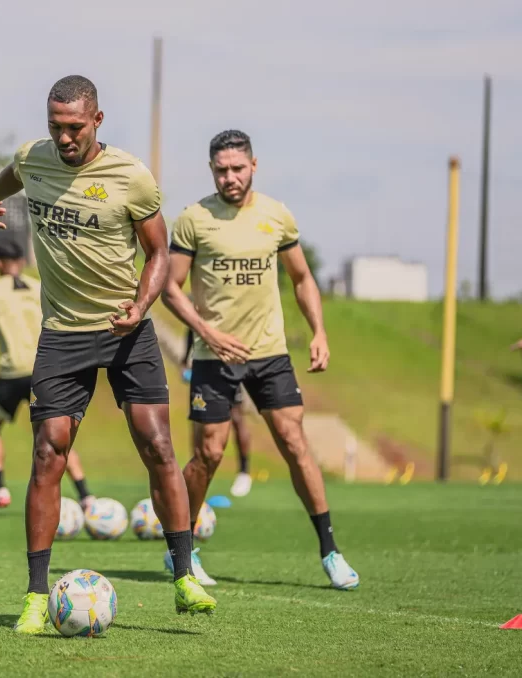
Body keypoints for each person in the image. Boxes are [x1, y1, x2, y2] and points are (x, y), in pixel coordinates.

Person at [0, 75, 216, 634]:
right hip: (63, 333)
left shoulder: (131, 176)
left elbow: (158, 253)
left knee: (157, 445)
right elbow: (12, 174)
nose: (64, 138)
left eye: (75, 127)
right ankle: (36, 597)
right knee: (47, 453)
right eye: (55, 126)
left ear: (97, 120)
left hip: (126, 328)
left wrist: (141, 304)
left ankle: (184, 576)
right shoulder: (34, 158)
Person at [163, 129, 359, 590]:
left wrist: (319, 332)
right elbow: (170, 287)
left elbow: (302, 278)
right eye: (221, 170)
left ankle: (330, 551)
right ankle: (180, 552)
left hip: (270, 353)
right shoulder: (193, 219)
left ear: (254, 166)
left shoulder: (277, 215)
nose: (230, 177)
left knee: (294, 443)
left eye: (238, 168)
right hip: (213, 355)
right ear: (211, 170)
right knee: (209, 453)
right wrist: (207, 332)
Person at [0, 239, 96, 514]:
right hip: (45, 370)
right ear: (21, 261)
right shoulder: (39, 287)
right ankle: (86, 497)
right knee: (56, 434)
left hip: (12, 374)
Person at [183, 326, 253, 498]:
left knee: (236, 417)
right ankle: (197, 474)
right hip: (202, 365)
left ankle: (244, 472)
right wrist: (185, 360)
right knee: (198, 420)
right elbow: (191, 327)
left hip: (228, 364)